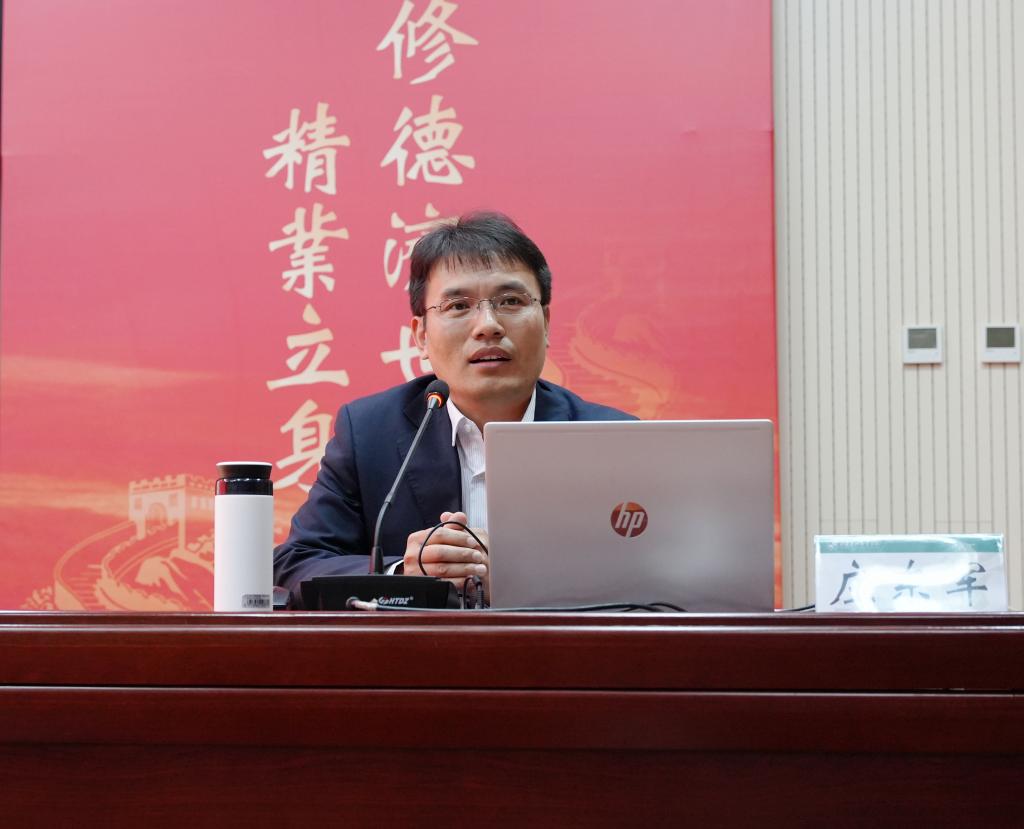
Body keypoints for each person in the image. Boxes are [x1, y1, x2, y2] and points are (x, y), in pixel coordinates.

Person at [273, 212, 635, 607]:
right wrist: (404, 574)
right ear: (421, 335)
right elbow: (297, 564)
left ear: (546, 322)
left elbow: (657, 575)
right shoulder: (369, 433)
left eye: (511, 301)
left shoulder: (614, 440)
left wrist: (526, 578)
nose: (488, 326)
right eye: (459, 306)